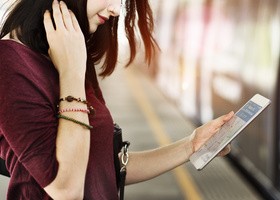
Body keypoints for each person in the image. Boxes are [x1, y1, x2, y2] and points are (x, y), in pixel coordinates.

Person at [0, 0, 233, 199]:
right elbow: (66, 189)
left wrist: (190, 145)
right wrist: (71, 72)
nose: (116, 9)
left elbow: (106, 165)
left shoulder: (68, 53)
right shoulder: (10, 63)